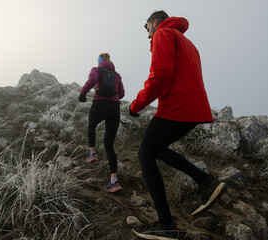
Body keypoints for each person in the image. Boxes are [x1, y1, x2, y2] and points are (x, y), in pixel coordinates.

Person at [129, 11, 227, 240]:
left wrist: (135, 105)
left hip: (177, 106)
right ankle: (206, 181)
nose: (147, 35)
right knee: (156, 149)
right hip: (195, 109)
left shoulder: (163, 34)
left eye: (147, 29)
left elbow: (160, 74)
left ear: (155, 22)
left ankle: (166, 224)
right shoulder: (187, 42)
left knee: (145, 154)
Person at [79, 53, 125, 193]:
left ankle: (92, 153)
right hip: (114, 108)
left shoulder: (96, 69)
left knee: (91, 125)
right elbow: (121, 93)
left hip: (99, 103)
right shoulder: (117, 75)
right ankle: (114, 181)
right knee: (109, 144)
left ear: (100, 61)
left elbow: (92, 80)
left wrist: (82, 94)